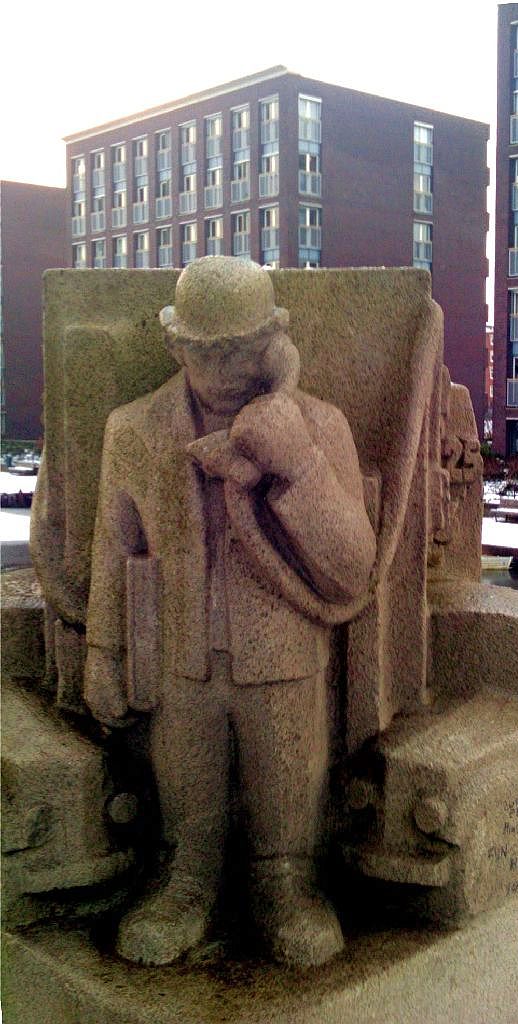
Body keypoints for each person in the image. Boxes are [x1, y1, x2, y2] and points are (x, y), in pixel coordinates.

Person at [83, 256, 376, 967]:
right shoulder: (135, 429)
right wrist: (103, 651)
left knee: (285, 778)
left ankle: (285, 884)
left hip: (283, 658)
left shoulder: (316, 425)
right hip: (178, 655)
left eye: (242, 349)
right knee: (187, 778)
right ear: (175, 345)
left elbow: (353, 566)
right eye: (205, 351)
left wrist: (297, 463)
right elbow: (113, 547)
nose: (222, 368)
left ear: (275, 342)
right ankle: (187, 882)